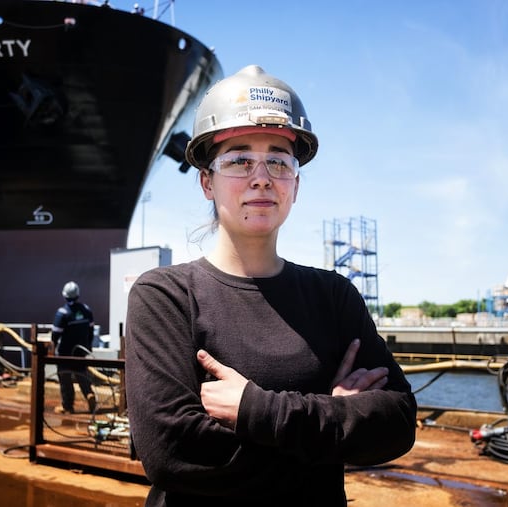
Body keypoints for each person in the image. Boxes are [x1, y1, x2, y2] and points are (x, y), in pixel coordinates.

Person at [125, 65, 417, 506]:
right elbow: (171, 453)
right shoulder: (166, 296)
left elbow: (397, 423)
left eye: (279, 161)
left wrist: (255, 411)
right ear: (207, 181)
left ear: (295, 185)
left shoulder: (333, 296)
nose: (261, 177)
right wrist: (331, 418)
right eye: (239, 159)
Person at [51, 281, 96, 414]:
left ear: (65, 296)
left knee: (65, 379)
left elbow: (55, 335)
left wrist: (53, 349)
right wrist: (88, 346)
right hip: (81, 351)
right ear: (78, 295)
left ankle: (67, 406)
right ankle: (89, 394)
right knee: (82, 375)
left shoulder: (62, 313)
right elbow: (91, 331)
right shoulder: (86, 310)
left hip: (65, 352)